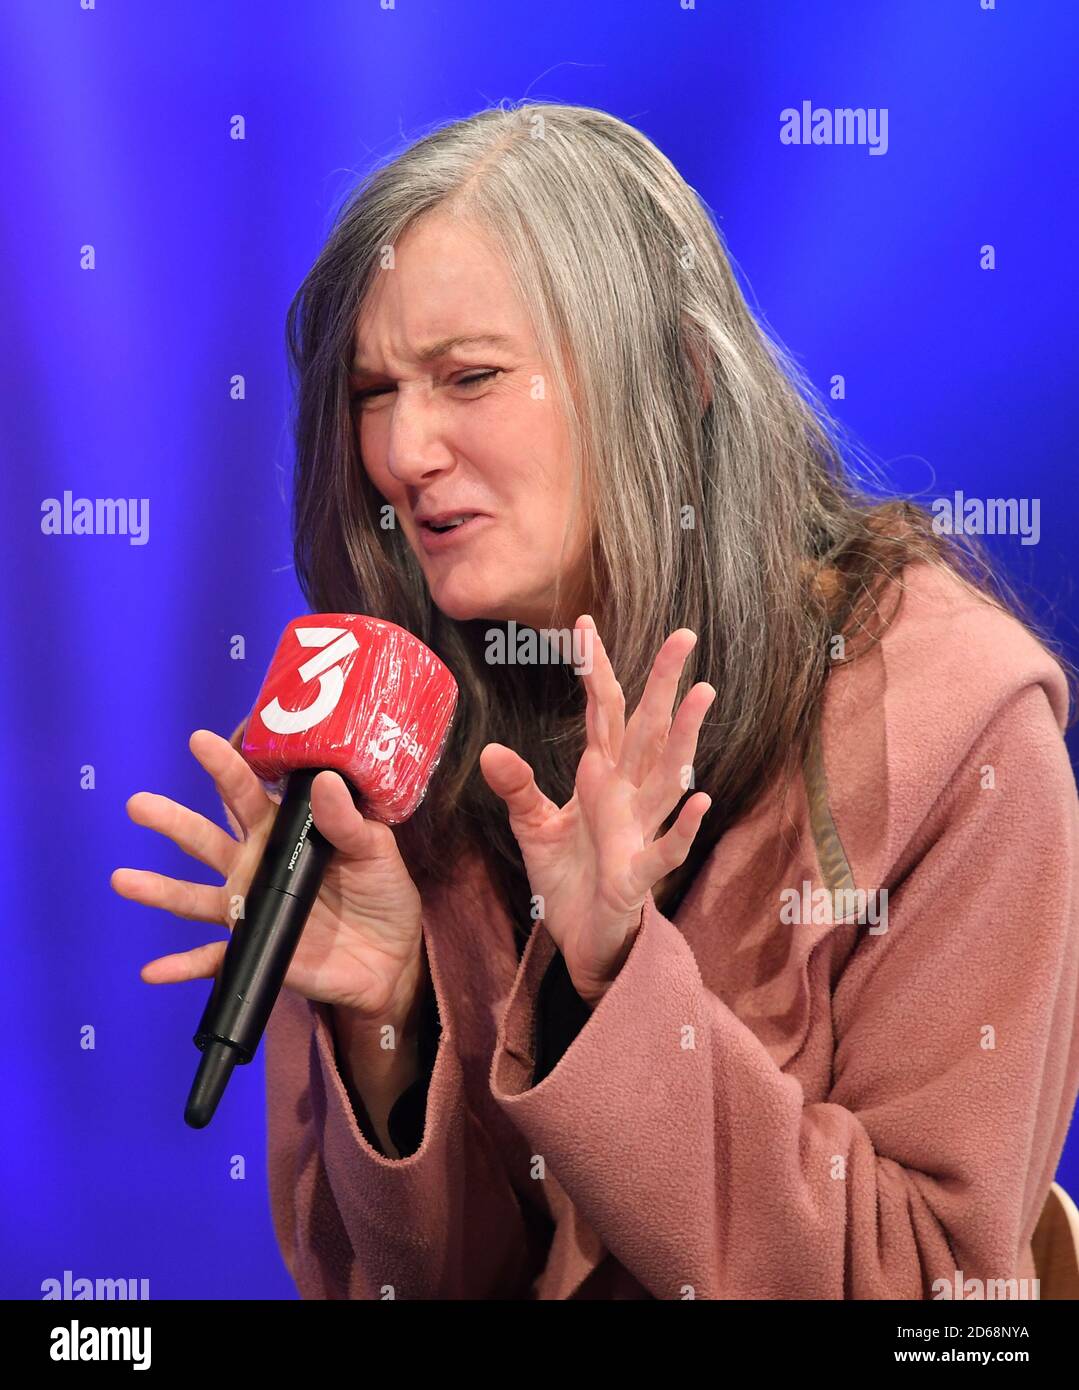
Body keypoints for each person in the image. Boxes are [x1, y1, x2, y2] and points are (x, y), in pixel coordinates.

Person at [111, 102, 1079, 1300]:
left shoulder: (959, 728)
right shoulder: (397, 726)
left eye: (468, 376)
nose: (403, 450)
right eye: (372, 391)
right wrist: (390, 1017)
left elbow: (928, 1291)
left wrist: (615, 979)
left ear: (673, 374)